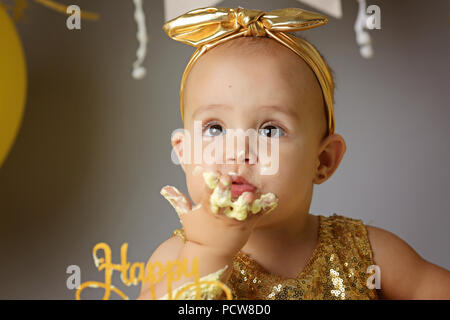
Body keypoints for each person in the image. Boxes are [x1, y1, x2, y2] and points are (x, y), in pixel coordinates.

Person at [137, 7, 450, 300]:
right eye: (216, 128)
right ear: (185, 153)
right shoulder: (173, 259)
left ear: (323, 161)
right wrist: (206, 250)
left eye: (270, 130)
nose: (238, 152)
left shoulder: (369, 254)